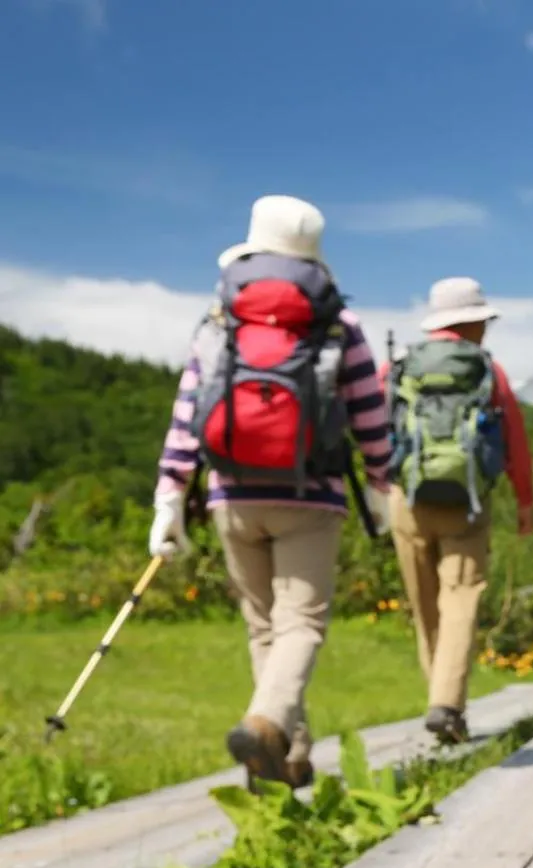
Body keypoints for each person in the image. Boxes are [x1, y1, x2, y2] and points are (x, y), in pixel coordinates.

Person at [149, 194, 393, 787]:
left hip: (230, 492)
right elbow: (369, 416)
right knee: (301, 624)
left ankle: (288, 755)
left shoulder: (218, 320)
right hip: (311, 496)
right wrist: (383, 488)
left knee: (264, 627)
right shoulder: (339, 325)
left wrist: (169, 496)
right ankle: (267, 726)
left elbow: (188, 412)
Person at [382, 277, 533, 744]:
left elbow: (375, 422)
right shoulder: (490, 371)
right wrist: (525, 501)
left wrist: (377, 482)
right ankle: (446, 704)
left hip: (406, 497)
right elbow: (514, 440)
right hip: (467, 502)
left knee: (425, 605)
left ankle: (440, 700)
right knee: (461, 599)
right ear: (471, 323)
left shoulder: (400, 365)